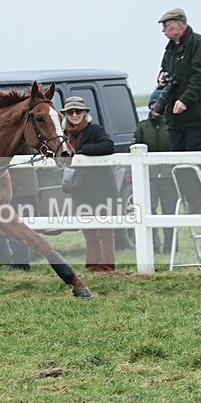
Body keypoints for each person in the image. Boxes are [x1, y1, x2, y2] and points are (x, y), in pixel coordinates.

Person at [157, 8, 201, 184]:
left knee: (194, 164)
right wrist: (162, 76)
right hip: (175, 119)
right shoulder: (170, 48)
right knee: (178, 165)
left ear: (180, 24)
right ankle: (188, 204)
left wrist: (185, 99)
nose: (163, 31)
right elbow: (165, 68)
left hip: (198, 117)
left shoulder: (199, 43)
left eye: (167, 26)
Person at [61, 96, 117, 272]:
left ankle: (107, 265)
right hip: (79, 188)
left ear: (85, 113)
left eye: (78, 111)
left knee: (104, 228)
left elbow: (108, 146)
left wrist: (82, 152)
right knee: (88, 228)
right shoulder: (63, 134)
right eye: (71, 112)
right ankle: (92, 264)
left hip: (101, 187)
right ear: (66, 115)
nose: (75, 115)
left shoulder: (95, 130)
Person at [133, 89, 177, 254]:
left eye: (158, 104)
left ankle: (171, 247)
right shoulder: (142, 127)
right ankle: (153, 246)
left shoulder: (172, 127)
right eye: (153, 104)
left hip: (168, 177)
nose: (155, 107)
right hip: (149, 178)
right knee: (149, 211)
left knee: (169, 212)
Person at [7, 144, 39, 271]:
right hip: (12, 189)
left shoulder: (24, 138)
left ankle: (21, 262)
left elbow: (23, 149)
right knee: (11, 227)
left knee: (20, 226)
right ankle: (19, 260)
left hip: (23, 190)